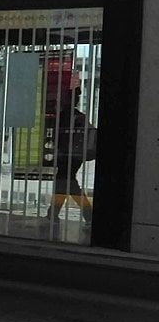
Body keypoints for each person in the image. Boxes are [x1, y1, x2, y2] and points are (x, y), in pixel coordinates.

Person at [46, 87, 94, 225]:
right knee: (66, 182)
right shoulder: (80, 117)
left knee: (67, 183)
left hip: (65, 154)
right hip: (76, 155)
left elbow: (55, 136)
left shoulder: (62, 116)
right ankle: (53, 214)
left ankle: (88, 215)